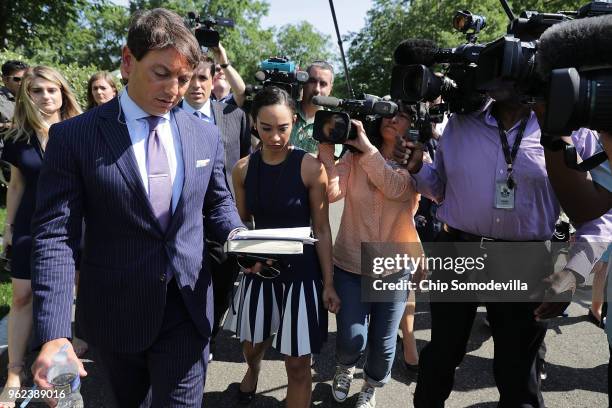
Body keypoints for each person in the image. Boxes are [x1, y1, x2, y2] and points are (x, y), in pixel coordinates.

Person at [29, 9, 245, 407]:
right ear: (128, 61)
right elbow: (55, 237)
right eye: (162, 73)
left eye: (183, 79)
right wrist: (55, 331)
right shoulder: (74, 137)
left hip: (187, 309)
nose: (174, 90)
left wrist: (241, 240)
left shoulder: (205, 135)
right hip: (115, 313)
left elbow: (217, 205)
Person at [396, 89, 610, 407]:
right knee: (441, 355)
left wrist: (575, 271)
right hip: (457, 251)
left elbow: (603, 212)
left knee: (518, 373)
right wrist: (418, 169)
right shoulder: (460, 121)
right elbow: (441, 189)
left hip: (525, 260)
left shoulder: (572, 130)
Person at [226, 86, 340, 407]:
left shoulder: (310, 167)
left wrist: (328, 283)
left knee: (298, 365)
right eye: (266, 128)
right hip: (259, 267)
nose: (275, 136)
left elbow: (322, 228)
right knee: (251, 343)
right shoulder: (243, 168)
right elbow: (242, 218)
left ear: (294, 120)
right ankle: (254, 367)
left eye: (283, 128)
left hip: (302, 274)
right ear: (254, 123)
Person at [318, 106, 423, 408]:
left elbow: (395, 187)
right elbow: (331, 193)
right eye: (389, 113)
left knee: (384, 343)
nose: (393, 118)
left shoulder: (415, 163)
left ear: (412, 126)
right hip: (351, 262)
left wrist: (367, 148)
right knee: (352, 337)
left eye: (401, 115)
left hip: (394, 266)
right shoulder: (353, 159)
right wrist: (327, 148)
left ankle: (372, 384)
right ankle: (344, 367)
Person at [0, 65, 81, 408]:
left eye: (52, 90)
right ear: (26, 96)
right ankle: (14, 372)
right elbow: (16, 184)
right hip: (31, 228)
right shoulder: (18, 139)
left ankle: (61, 378)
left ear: (63, 92)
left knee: (65, 298)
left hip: (73, 228)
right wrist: (9, 228)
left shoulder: (81, 131)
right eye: (37, 91)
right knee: (21, 298)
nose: (46, 97)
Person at [181, 54, 251, 360]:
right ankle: (187, 338)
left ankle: (208, 335)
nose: (196, 85)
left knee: (222, 286)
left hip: (225, 218)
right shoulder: (167, 118)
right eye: (190, 78)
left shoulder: (234, 115)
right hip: (183, 221)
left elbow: (246, 162)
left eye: (202, 78)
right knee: (187, 284)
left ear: (213, 81)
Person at [290, 61, 337, 155]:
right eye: (312, 81)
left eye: (323, 84)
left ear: (330, 89)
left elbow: (332, 164)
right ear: (303, 83)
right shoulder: (285, 111)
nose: (316, 89)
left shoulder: (334, 123)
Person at [210, 42, 246, 107]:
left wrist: (225, 65)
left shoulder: (235, 100)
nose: (221, 72)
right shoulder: (202, 100)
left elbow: (241, 91)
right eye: (217, 70)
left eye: (225, 71)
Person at [0, 60, 29, 131]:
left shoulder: (31, 97)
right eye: (17, 79)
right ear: (4, 79)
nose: (22, 83)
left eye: (25, 79)